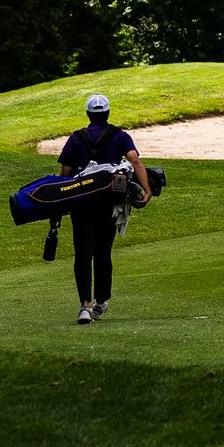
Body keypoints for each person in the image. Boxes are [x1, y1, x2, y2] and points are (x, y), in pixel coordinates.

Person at [57, 93, 144, 325]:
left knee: (83, 253)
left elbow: (65, 174)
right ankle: (101, 301)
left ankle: (84, 306)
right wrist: (148, 191)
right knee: (103, 252)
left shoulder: (76, 138)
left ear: (88, 114)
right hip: (108, 203)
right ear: (107, 113)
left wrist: (59, 205)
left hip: (81, 202)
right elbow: (134, 161)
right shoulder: (119, 135)